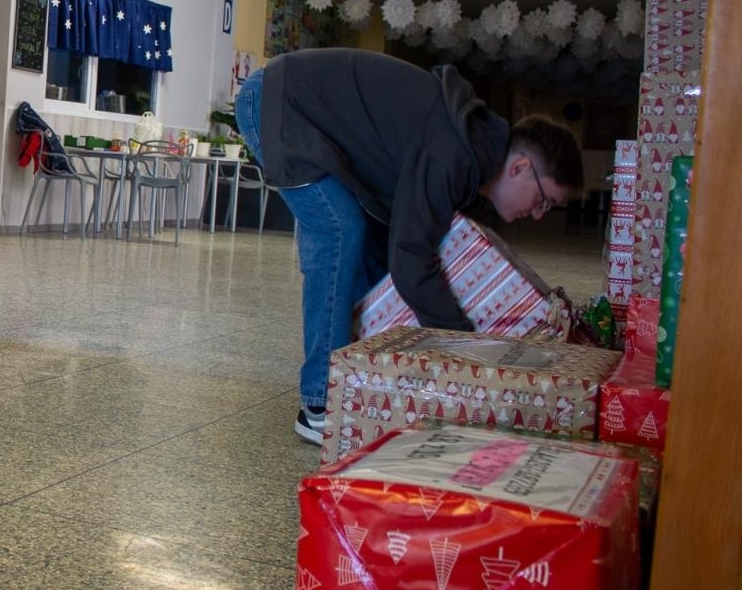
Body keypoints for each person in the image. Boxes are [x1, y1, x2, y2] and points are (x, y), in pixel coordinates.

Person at [233, 48, 583, 445]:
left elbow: (424, 248)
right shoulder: (453, 152)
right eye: (543, 201)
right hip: (277, 103)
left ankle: (361, 380)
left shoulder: (469, 153)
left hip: (300, 111)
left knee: (372, 244)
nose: (539, 215)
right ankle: (319, 403)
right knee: (340, 231)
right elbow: (412, 262)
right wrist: (467, 345)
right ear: (520, 167)